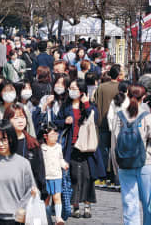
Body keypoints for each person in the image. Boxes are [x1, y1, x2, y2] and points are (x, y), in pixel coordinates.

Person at [115, 85, 151, 225]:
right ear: (143, 98)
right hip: (145, 164)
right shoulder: (146, 116)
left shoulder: (119, 116)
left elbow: (115, 141)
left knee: (129, 203)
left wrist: (117, 165)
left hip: (124, 165)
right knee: (148, 204)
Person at [55, 79, 105, 219]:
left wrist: (87, 103)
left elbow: (94, 118)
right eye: (70, 88)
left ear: (81, 90)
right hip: (71, 146)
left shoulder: (88, 105)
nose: (71, 90)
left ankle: (87, 205)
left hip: (87, 147)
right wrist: (65, 121)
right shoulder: (66, 106)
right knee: (75, 177)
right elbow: (56, 121)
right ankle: (75, 205)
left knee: (88, 176)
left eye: (74, 88)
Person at [0, 120, 37, 225]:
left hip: (17, 220)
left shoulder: (23, 164)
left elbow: (31, 191)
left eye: (4, 139)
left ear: (11, 138)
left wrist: (22, 209)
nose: (1, 144)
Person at [4, 104, 47, 201]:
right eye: (15, 118)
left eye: (22, 117)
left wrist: (41, 190)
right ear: (8, 120)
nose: (20, 121)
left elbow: (39, 170)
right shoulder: (2, 143)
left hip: (29, 192)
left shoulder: (32, 143)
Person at [95, 64, 121, 187]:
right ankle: (113, 176)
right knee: (115, 150)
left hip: (102, 123)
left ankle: (103, 176)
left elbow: (95, 102)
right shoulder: (121, 87)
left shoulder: (101, 87)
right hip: (117, 124)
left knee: (103, 150)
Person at [40, 123, 69, 225]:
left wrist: (64, 164)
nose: (55, 137)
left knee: (57, 197)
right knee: (46, 199)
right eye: (52, 135)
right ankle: (47, 219)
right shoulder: (42, 148)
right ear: (45, 136)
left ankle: (58, 218)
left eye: (56, 135)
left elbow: (60, 159)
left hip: (57, 176)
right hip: (46, 177)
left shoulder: (58, 147)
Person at [106, 81, 130, 188]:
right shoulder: (129, 100)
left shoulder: (115, 100)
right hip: (126, 129)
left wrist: (111, 128)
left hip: (115, 128)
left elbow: (110, 116)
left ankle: (117, 177)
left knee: (114, 152)